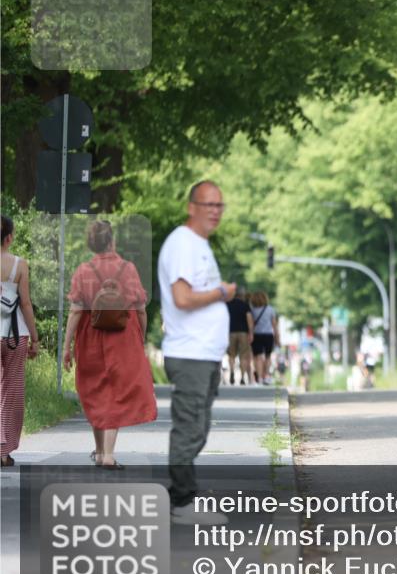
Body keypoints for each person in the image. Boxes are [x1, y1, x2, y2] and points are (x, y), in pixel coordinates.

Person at [158, 180, 236, 525]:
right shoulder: (183, 243)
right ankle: (181, 501)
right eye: (208, 205)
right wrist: (221, 293)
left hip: (204, 353)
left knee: (199, 428)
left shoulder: (199, 244)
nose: (215, 212)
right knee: (190, 427)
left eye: (219, 205)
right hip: (190, 352)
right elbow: (182, 298)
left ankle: (182, 497)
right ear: (192, 207)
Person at [62, 220, 156, 469]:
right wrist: (141, 336)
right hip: (123, 340)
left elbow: (75, 310)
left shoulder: (83, 271)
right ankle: (108, 455)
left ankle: (100, 450)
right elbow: (140, 309)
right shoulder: (128, 269)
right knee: (116, 392)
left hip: (90, 340)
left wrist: (66, 346)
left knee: (95, 392)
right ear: (112, 241)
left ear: (92, 243)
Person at [1, 215, 39, 467]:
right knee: (11, 391)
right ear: (10, 237)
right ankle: (3, 451)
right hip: (16, 335)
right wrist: (35, 338)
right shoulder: (20, 265)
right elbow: (25, 303)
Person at [249, 291, 280, 385]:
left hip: (256, 335)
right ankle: (266, 376)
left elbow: (250, 325)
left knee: (258, 357)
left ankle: (259, 378)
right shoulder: (270, 310)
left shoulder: (252, 310)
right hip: (268, 335)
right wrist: (277, 338)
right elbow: (274, 325)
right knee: (268, 356)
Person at [225, 287, 254, 385]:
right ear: (243, 295)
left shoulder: (228, 305)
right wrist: (251, 333)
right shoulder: (245, 305)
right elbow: (249, 320)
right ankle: (242, 377)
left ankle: (232, 372)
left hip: (230, 332)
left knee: (231, 355)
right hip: (243, 333)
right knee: (243, 356)